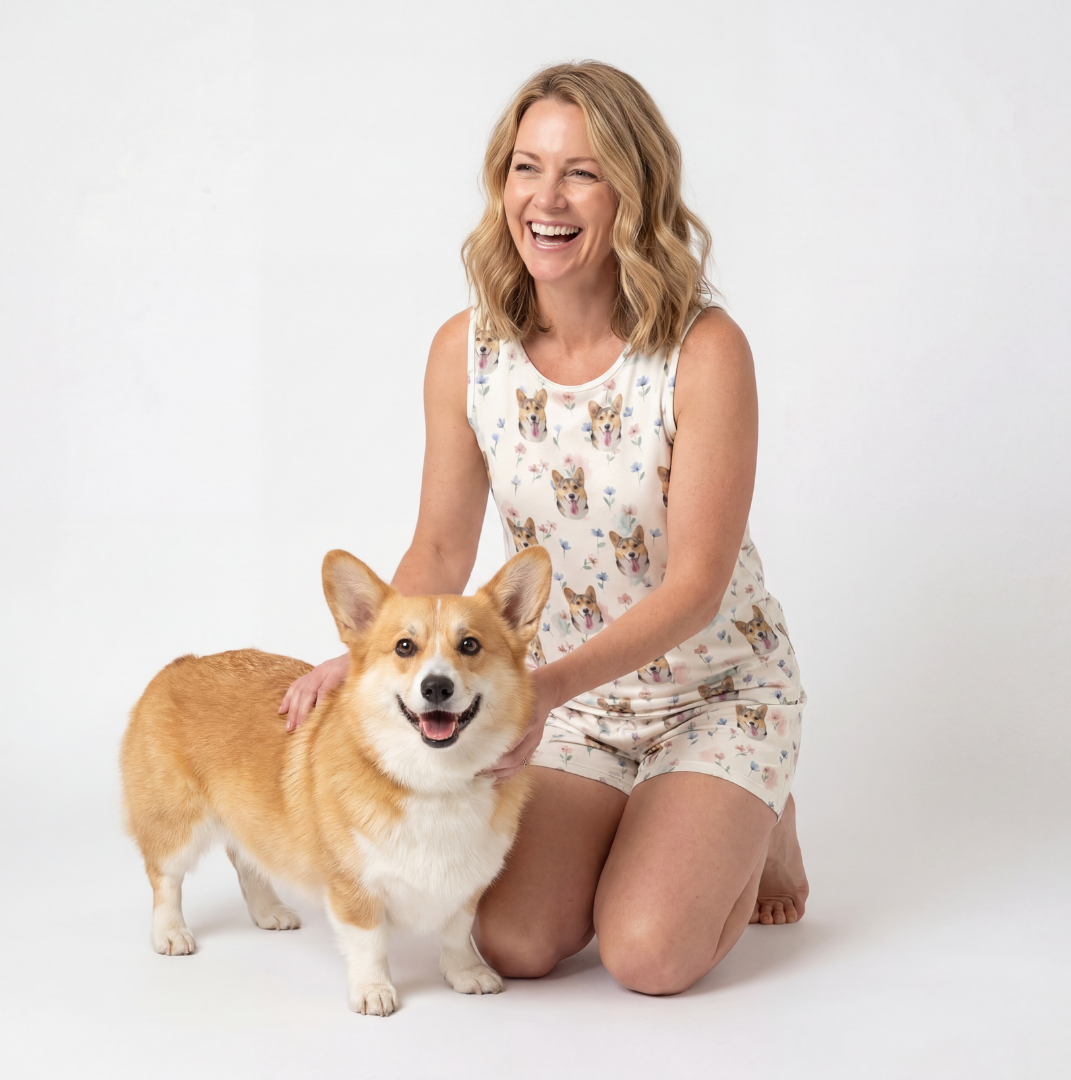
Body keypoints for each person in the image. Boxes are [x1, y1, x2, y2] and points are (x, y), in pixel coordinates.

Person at [279, 61, 809, 996]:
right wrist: (371, 655)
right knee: (516, 944)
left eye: (582, 172)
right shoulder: (466, 350)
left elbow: (697, 585)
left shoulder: (704, 351)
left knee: (645, 955)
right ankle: (652, 823)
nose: (546, 198)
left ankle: (760, 809)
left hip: (711, 687)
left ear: (633, 192)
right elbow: (441, 550)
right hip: (570, 703)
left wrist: (546, 688)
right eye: (527, 168)